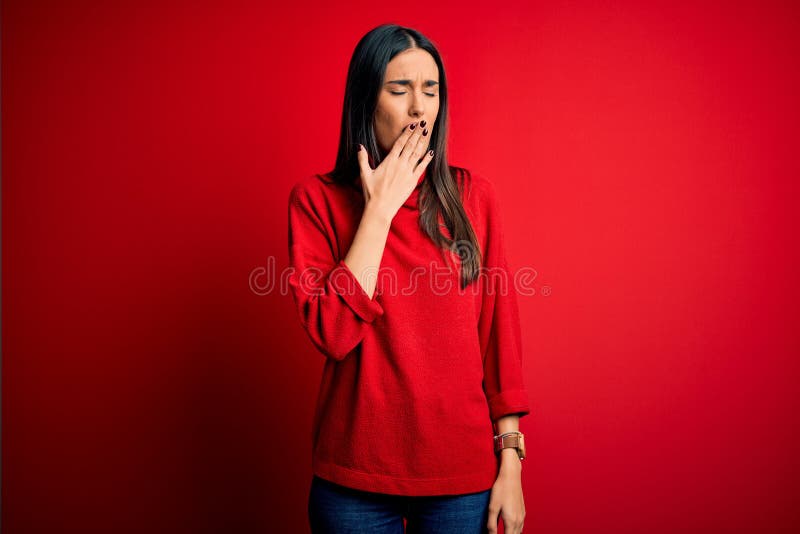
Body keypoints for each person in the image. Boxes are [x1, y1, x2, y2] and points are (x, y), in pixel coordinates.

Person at [288, 23, 531, 534]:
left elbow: (496, 335)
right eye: (400, 90)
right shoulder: (316, 201)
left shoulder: (475, 198)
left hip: (459, 481)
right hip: (351, 479)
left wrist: (511, 462)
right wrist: (378, 212)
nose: (419, 108)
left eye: (431, 89)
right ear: (365, 101)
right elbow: (333, 333)